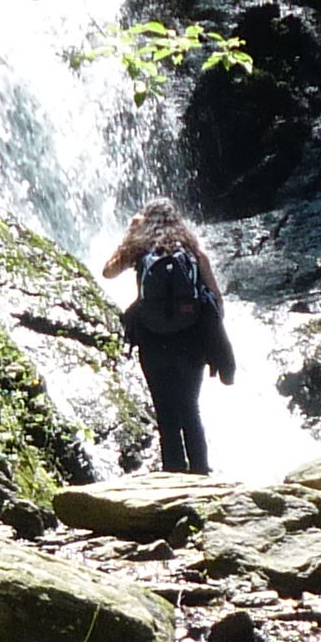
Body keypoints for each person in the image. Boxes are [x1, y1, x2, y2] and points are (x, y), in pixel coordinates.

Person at [103, 197, 235, 474]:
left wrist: (131, 233)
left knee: (165, 414)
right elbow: (216, 300)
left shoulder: (140, 248)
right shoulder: (192, 250)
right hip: (191, 341)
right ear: (177, 220)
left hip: (152, 340)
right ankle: (201, 472)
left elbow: (108, 272)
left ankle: (173, 472)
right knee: (190, 409)